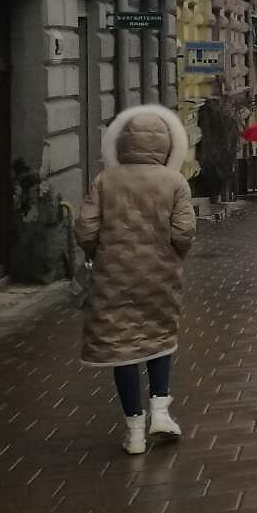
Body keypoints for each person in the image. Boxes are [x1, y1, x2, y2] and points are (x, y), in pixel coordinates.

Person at [76, 104, 196, 455]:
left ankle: (133, 432)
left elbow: (85, 228)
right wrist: (174, 254)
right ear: (165, 144)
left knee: (123, 347)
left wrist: (97, 253)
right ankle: (160, 411)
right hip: (160, 274)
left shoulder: (104, 180)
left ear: (123, 143)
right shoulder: (174, 181)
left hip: (113, 277)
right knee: (159, 337)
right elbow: (185, 231)